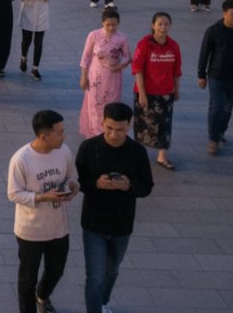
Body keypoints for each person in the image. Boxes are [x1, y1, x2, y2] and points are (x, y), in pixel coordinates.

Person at [76, 102, 154, 313]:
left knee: (112, 271)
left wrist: (130, 185)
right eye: (109, 128)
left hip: (122, 224)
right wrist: (95, 183)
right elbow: (78, 181)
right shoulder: (89, 148)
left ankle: (103, 302)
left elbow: (147, 186)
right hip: (93, 223)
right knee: (95, 276)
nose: (113, 134)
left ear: (129, 125)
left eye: (119, 129)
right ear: (102, 122)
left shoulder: (137, 152)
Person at [7, 110, 79, 313]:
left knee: (56, 270)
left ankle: (43, 294)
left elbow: (72, 176)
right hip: (31, 231)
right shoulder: (21, 159)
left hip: (58, 228)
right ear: (43, 136)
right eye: (59, 133)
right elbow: (13, 194)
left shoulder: (64, 151)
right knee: (27, 278)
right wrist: (42, 197)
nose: (64, 137)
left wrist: (74, 186)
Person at [197, 0, 233, 155]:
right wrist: (201, 75)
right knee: (217, 107)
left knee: (228, 108)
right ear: (224, 14)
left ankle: (221, 131)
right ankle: (213, 140)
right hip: (216, 76)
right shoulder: (213, 31)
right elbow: (204, 54)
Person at [132, 12, 183, 170]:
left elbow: (176, 71)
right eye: (160, 24)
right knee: (143, 125)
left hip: (166, 93)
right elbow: (138, 70)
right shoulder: (144, 45)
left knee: (164, 125)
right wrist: (142, 93)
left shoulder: (173, 46)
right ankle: (139, 156)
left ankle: (162, 157)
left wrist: (176, 90)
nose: (163, 27)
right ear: (153, 25)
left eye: (166, 24)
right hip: (146, 93)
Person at [79, 8, 130, 139]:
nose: (111, 27)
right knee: (94, 106)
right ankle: (95, 135)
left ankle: (108, 132)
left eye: (114, 25)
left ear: (118, 24)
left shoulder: (122, 38)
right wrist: (84, 76)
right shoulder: (93, 35)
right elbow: (86, 57)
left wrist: (118, 66)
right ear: (103, 23)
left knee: (111, 105)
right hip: (95, 77)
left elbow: (127, 57)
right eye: (108, 24)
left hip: (113, 77)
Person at [19, 0, 52, 81]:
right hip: (28, 11)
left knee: (39, 42)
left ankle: (35, 68)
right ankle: (23, 57)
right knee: (26, 40)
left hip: (42, 13)